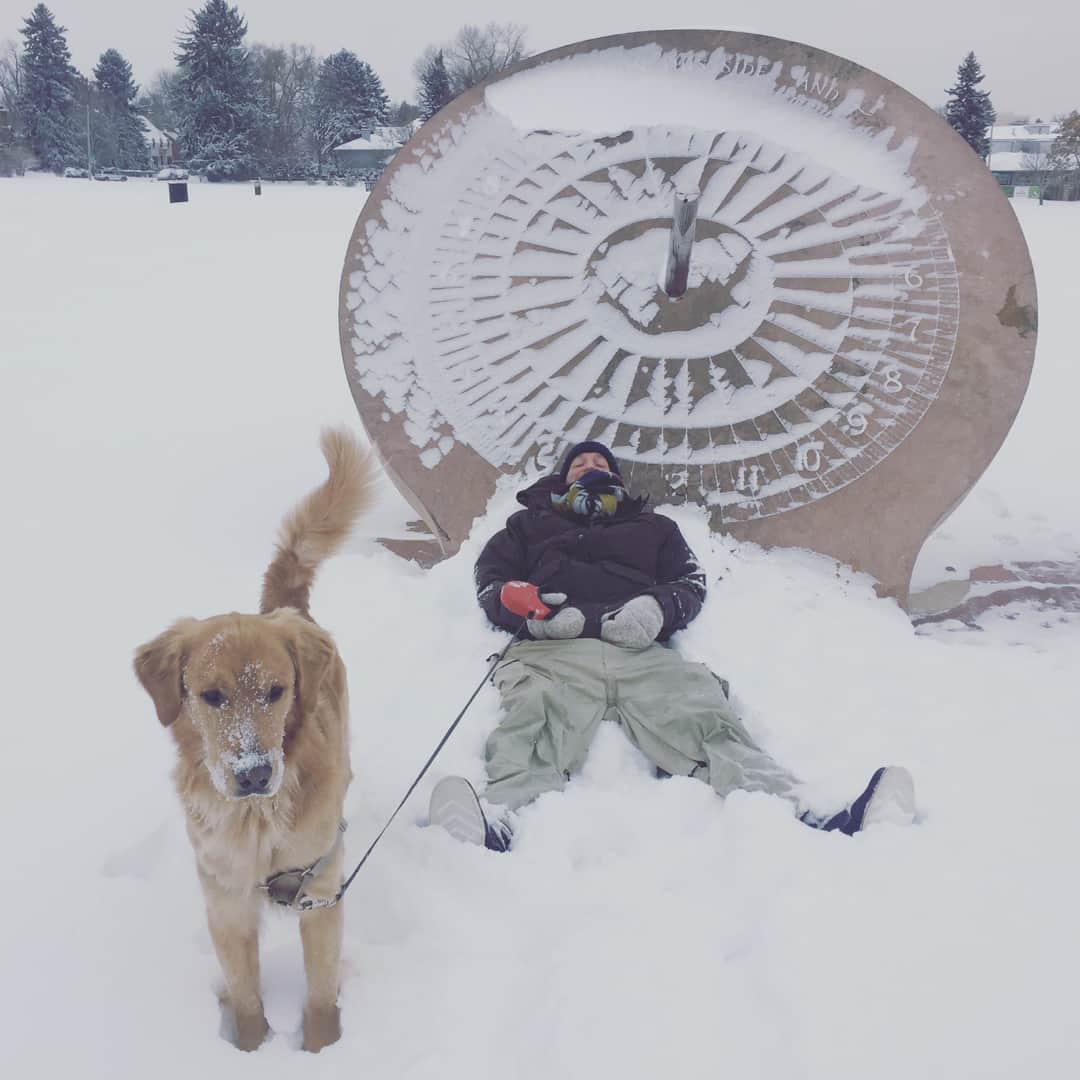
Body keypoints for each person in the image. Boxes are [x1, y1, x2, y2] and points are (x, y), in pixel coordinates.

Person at [428, 440, 915, 851]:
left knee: (701, 712)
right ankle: (497, 820)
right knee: (533, 715)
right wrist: (523, 606)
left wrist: (657, 611)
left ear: (616, 477)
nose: (589, 467)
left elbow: (689, 582)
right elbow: (492, 582)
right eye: (579, 463)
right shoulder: (527, 526)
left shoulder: (654, 528)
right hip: (552, 647)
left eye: (599, 464)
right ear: (561, 477)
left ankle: (804, 813)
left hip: (640, 650)